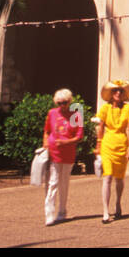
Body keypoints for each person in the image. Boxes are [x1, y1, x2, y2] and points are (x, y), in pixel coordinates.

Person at [42, 88, 84, 226]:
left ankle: (62, 211)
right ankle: (49, 213)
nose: (62, 105)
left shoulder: (76, 115)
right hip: (54, 153)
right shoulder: (52, 113)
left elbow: (79, 136)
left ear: (70, 102)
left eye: (65, 102)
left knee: (64, 183)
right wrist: (46, 144)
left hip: (68, 153)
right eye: (59, 103)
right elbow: (47, 131)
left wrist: (66, 142)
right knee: (53, 182)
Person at [95, 80, 129, 223]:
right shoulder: (105, 108)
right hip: (108, 143)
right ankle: (105, 212)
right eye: (115, 91)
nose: (118, 93)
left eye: (120, 91)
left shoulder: (128, 109)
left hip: (122, 143)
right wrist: (98, 144)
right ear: (111, 94)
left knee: (119, 178)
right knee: (107, 176)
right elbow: (100, 127)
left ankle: (118, 203)